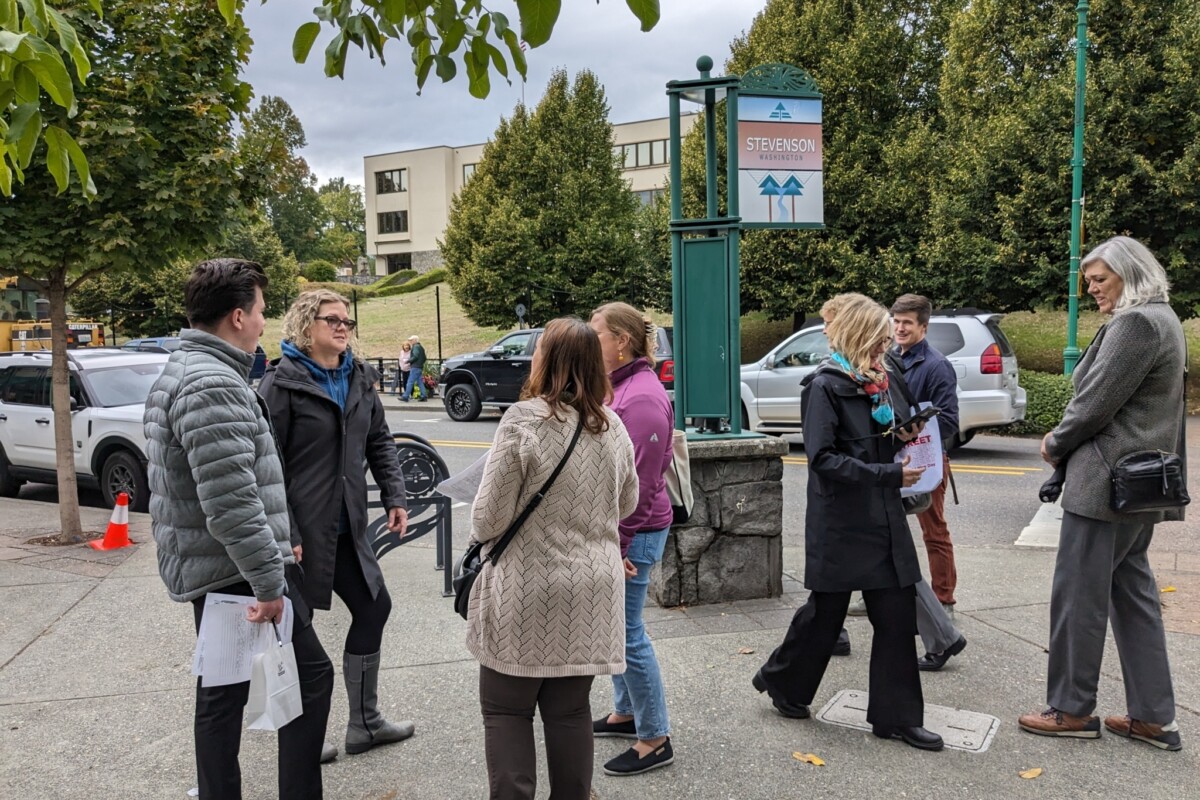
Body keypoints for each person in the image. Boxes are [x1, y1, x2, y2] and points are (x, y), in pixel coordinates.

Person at [143, 259, 333, 800]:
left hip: (218, 565)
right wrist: (270, 584)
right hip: (235, 572)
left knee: (223, 693)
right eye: (261, 313)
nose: (263, 324)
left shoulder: (186, 372)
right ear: (236, 317)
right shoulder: (212, 384)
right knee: (309, 677)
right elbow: (230, 503)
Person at [752, 295, 944, 752]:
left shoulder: (878, 379)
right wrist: (888, 472)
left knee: (896, 618)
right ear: (860, 335)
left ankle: (897, 718)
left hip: (883, 516)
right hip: (842, 520)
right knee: (825, 615)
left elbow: (875, 437)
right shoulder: (823, 386)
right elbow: (821, 459)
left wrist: (903, 436)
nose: (887, 342)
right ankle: (785, 684)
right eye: (879, 335)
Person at [1019, 236, 1185, 751]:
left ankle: (1071, 709)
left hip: (1106, 487)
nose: (1090, 289)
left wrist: (1054, 442)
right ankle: (1154, 717)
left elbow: (1093, 403)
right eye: (1088, 280)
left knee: (1079, 598)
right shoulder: (1167, 319)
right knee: (1134, 599)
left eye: (1099, 279)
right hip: (1140, 485)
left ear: (1129, 273)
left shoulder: (1135, 323)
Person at [466, 317, 639, 800]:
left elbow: (487, 519)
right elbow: (626, 503)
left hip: (528, 587)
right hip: (591, 591)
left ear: (546, 359)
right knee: (570, 713)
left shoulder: (524, 420)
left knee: (507, 711)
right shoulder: (614, 426)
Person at [258, 289, 415, 761]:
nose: (343, 327)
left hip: (349, 528)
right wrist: (287, 533)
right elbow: (267, 466)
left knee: (374, 609)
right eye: (332, 320)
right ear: (307, 328)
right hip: (301, 536)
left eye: (346, 320)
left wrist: (395, 495)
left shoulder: (360, 378)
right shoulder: (280, 386)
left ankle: (364, 724)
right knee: (292, 636)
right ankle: (304, 738)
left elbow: (380, 441)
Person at [588, 302, 675, 776]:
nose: (589, 339)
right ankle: (626, 714)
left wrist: (616, 549)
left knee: (627, 633)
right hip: (627, 531)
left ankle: (655, 737)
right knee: (617, 628)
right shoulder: (621, 386)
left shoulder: (639, 398)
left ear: (621, 341)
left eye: (596, 332)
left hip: (635, 533)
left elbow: (639, 487)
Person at [887, 294, 968, 670]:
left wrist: (918, 429)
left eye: (907, 323)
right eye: (896, 321)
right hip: (893, 458)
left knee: (933, 531)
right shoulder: (888, 358)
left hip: (927, 460)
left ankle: (944, 600)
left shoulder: (936, 366)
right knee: (886, 530)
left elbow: (950, 420)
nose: (900, 328)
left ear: (923, 327)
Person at [402, 334, 427, 401]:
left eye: (411, 340)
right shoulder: (421, 347)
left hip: (415, 367)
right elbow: (424, 358)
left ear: (415, 340)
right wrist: (420, 364)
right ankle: (424, 396)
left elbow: (415, 356)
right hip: (419, 367)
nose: (410, 341)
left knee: (410, 382)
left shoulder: (415, 347)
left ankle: (405, 396)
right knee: (420, 382)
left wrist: (408, 361)